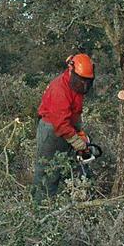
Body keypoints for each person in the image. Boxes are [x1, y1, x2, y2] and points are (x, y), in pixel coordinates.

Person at [33, 53, 95, 202]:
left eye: (87, 81)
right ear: (71, 71)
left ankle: (72, 201)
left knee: (71, 167)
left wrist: (79, 133)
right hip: (51, 129)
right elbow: (60, 122)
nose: (84, 85)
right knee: (48, 172)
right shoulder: (60, 88)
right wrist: (76, 141)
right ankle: (40, 208)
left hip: (66, 128)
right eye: (82, 81)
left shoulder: (77, 86)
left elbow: (73, 115)